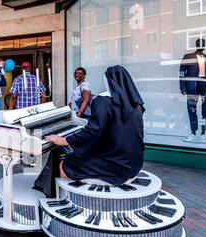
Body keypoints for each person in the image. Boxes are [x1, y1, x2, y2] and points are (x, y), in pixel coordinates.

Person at [34, 66, 145, 198]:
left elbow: (93, 131)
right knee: (78, 155)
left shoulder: (103, 101)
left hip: (116, 166)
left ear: (108, 82)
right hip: (133, 163)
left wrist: (64, 140)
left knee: (65, 164)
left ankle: (65, 200)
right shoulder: (136, 105)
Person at [180, 38, 206, 144]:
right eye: (198, 43)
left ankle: (203, 134)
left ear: (204, 46)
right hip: (192, 86)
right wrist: (182, 87)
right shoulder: (187, 57)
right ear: (196, 45)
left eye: (202, 44)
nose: (200, 45)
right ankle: (193, 133)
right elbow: (182, 72)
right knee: (191, 109)